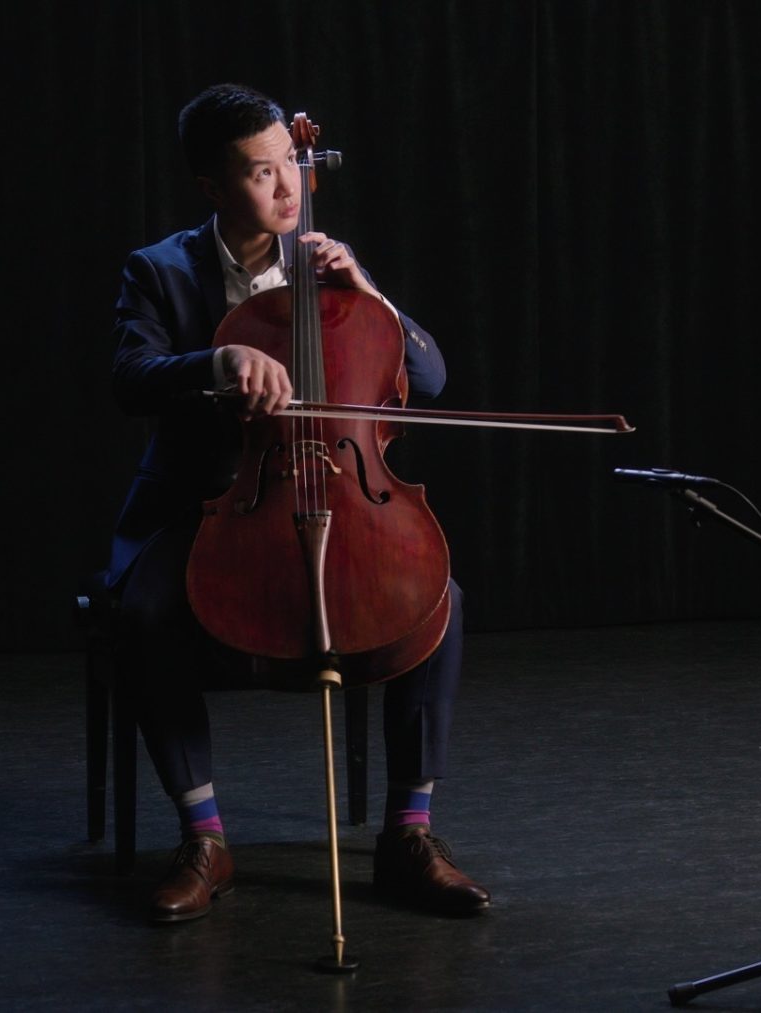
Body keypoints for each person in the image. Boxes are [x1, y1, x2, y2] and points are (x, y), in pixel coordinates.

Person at [105, 83, 487, 923]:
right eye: (259, 174)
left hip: (341, 494)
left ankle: (410, 833)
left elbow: (426, 379)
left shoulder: (327, 267)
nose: (286, 188)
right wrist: (215, 365)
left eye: (290, 166)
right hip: (213, 503)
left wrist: (373, 292)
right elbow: (132, 377)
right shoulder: (161, 272)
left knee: (440, 600)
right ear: (211, 187)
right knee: (144, 610)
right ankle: (205, 836)